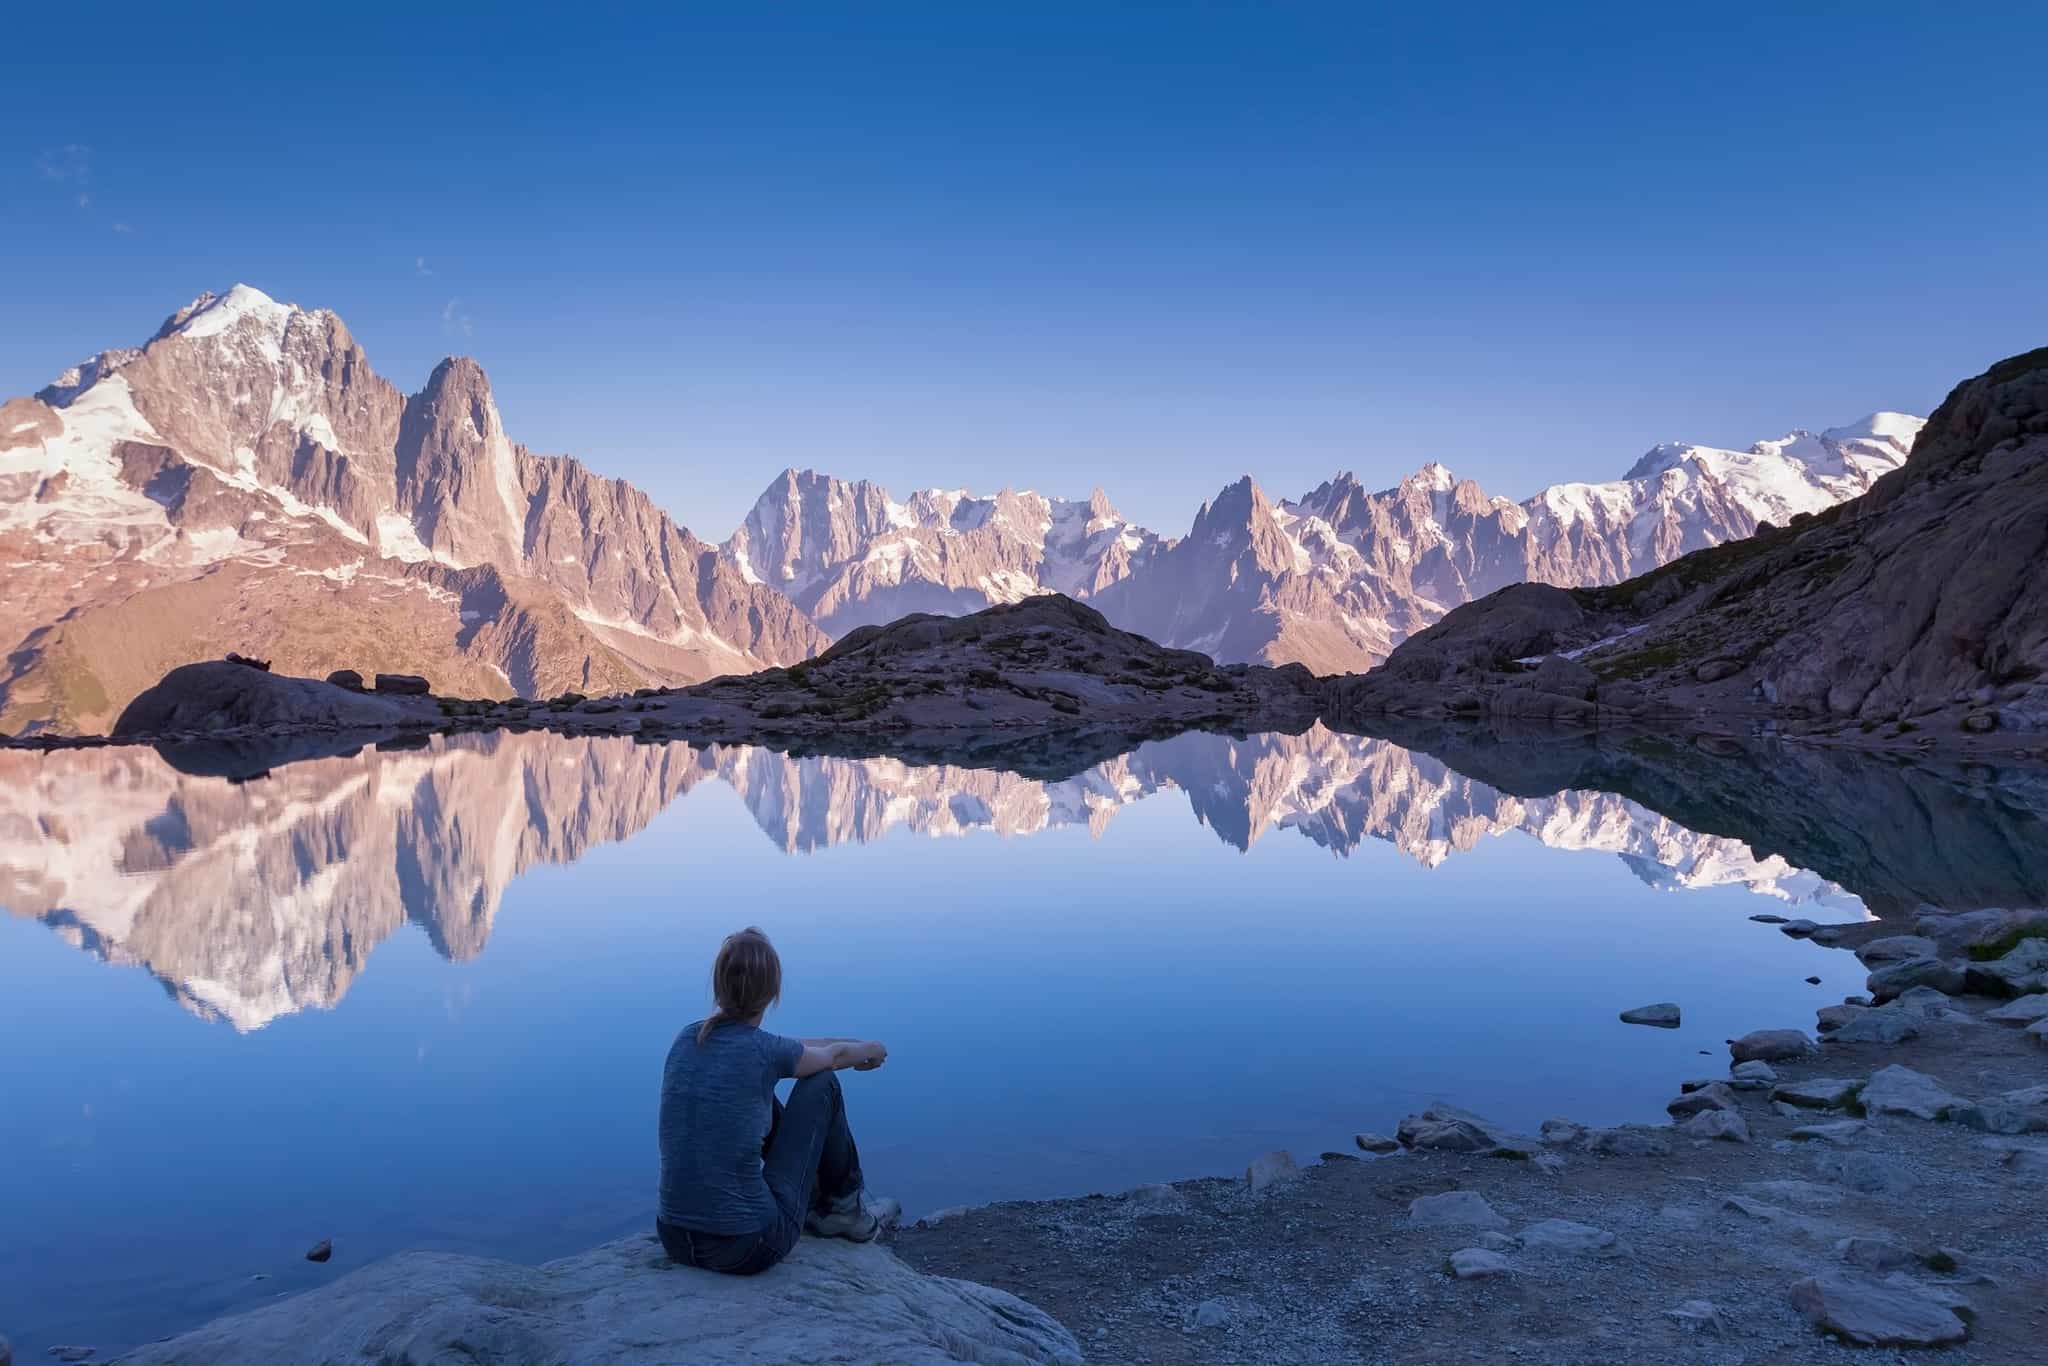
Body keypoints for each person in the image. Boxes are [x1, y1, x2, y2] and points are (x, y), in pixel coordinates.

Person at [656, 926, 889, 1275]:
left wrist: (848, 1044)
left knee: (749, 1096)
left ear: (718, 987)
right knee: (821, 1084)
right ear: (772, 992)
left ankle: (819, 1206)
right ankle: (842, 1210)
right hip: (747, 1245)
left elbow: (804, 1047)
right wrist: (870, 1049)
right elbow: (831, 1057)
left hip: (674, 1238)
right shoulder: (765, 1052)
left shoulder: (688, 1037)